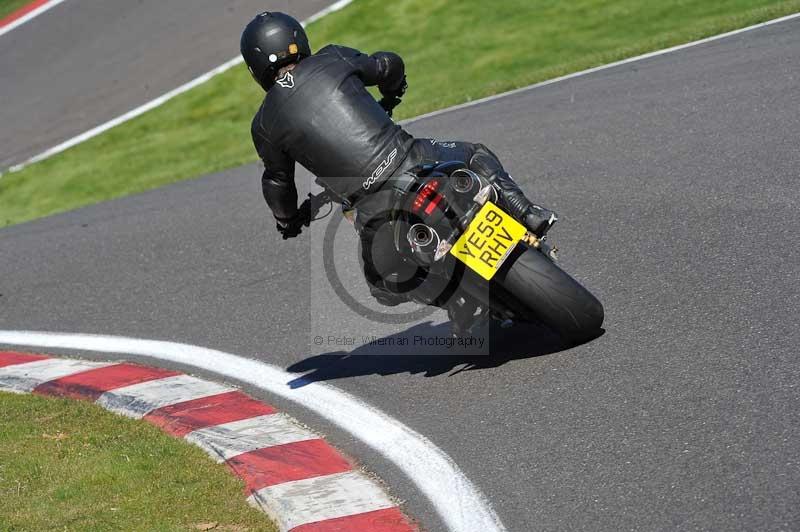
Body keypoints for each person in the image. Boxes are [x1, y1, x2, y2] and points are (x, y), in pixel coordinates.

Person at [242, 11, 557, 316]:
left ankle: (458, 302)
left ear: (255, 67)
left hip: (372, 206)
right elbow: (388, 64)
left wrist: (288, 219)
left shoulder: (264, 124)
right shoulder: (332, 58)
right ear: (299, 39)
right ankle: (526, 211)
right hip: (415, 159)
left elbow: (278, 183)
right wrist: (393, 92)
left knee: (383, 286)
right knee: (475, 154)